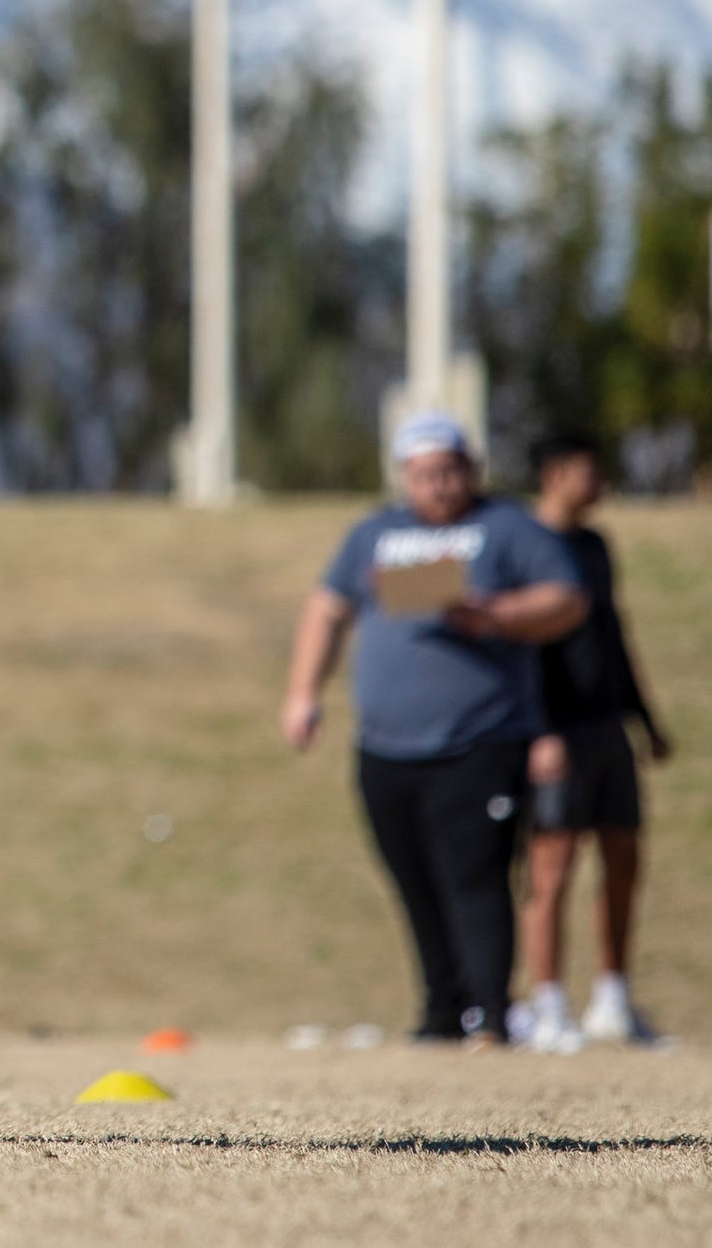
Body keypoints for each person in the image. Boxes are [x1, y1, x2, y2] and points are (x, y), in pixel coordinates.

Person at [282, 414, 587, 1046]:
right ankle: (442, 1013)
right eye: (425, 475)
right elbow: (328, 607)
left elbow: (567, 599)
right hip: (386, 747)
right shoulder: (373, 533)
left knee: (476, 877)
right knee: (413, 880)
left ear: (470, 469)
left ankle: (491, 1014)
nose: (439, 485)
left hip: (481, 739)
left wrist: (493, 613)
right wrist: (303, 694)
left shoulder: (505, 529)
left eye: (449, 471)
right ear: (404, 477)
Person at [515, 429, 673, 1052]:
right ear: (554, 474)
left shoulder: (597, 547)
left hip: (609, 728)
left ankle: (613, 997)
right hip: (555, 734)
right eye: (588, 471)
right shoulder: (523, 546)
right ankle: (546, 1002)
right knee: (550, 868)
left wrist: (646, 721)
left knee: (625, 860)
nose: (599, 483)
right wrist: (537, 729)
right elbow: (516, 652)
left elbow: (613, 635)